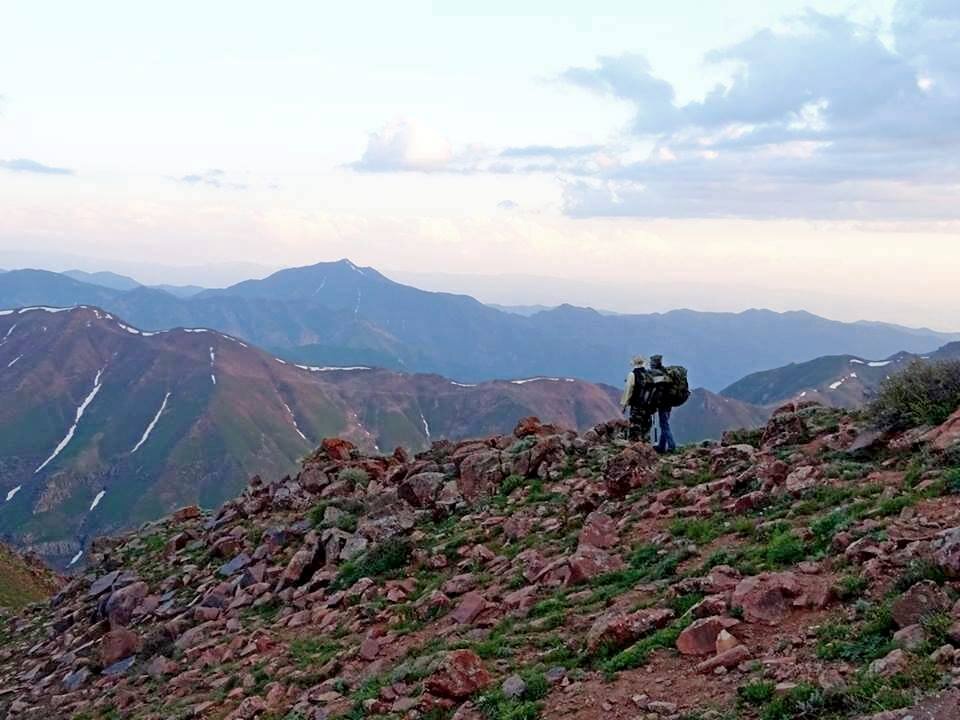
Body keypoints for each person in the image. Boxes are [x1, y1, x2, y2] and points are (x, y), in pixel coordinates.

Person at [620, 355, 654, 442]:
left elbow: (628, 390)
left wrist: (624, 405)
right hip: (648, 407)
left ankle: (635, 447)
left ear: (634, 363)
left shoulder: (632, 374)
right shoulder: (649, 374)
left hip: (637, 406)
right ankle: (646, 446)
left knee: (635, 429)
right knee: (646, 429)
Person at [649, 354, 677, 454]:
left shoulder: (657, 374)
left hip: (663, 404)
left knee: (664, 425)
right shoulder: (665, 372)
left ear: (655, 363)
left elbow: (656, 390)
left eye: (652, 362)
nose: (650, 364)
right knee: (664, 424)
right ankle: (661, 446)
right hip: (669, 403)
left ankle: (671, 446)